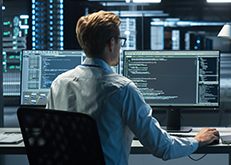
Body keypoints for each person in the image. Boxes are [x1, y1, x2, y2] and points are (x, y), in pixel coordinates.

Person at [46, 10, 219, 165]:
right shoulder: (121, 89)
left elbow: (49, 137)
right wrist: (197, 140)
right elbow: (162, 147)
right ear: (111, 43)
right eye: (120, 40)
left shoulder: (58, 83)